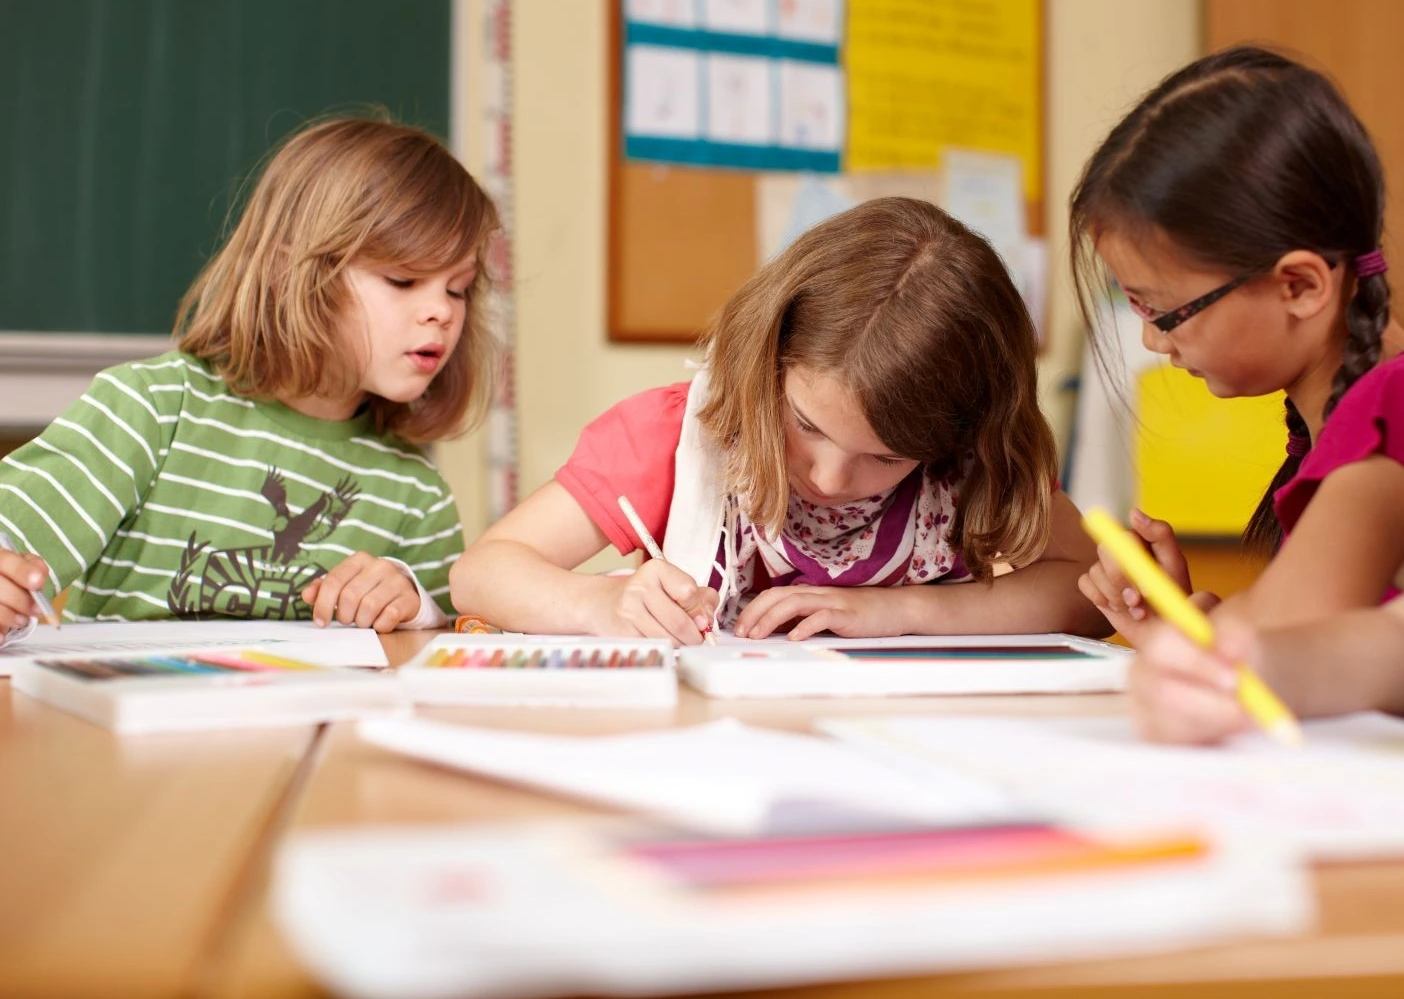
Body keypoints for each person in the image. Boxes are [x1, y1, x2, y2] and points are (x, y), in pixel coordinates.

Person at [454, 197, 1105, 644]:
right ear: (769, 360)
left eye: (885, 457)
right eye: (807, 424)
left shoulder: (975, 456)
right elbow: (481, 572)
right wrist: (599, 602)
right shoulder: (678, 435)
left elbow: (1087, 586)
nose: (830, 477)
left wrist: (904, 609)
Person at [0, 115, 497, 638]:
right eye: (403, 279)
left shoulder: (417, 492)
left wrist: (416, 607)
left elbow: (460, 637)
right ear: (289, 275)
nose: (442, 311)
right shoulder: (151, 407)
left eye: (458, 289)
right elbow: (11, 546)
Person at [1068, 46, 1404, 740]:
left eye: (1164, 310)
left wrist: (1206, 643)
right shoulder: (1337, 413)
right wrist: (1182, 632)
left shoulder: (1385, 413)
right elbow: (1293, 648)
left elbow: (1281, 644)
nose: (1154, 341)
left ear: (1300, 286)